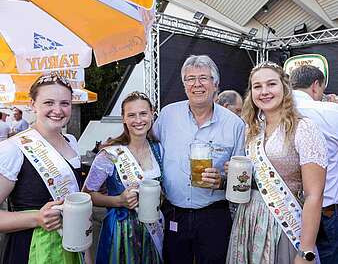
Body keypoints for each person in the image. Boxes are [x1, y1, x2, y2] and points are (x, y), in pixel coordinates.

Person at [226, 61, 327, 264]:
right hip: (248, 221)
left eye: (271, 84)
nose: (264, 91)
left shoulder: (304, 128)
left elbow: (314, 196)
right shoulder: (252, 129)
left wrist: (306, 252)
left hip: (285, 226)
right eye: (257, 86)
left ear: (284, 87)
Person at [153, 55, 245, 264]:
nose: (197, 84)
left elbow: (242, 178)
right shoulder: (168, 116)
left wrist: (222, 180)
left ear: (215, 84)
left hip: (214, 215)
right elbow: (146, 146)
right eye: (190, 79)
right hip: (174, 213)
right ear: (184, 85)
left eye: (203, 78)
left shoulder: (234, 124)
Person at [0, 73, 83, 264]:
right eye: (48, 103)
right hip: (32, 249)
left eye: (65, 103)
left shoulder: (71, 142)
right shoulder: (13, 149)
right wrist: (37, 218)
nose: (58, 110)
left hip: (71, 243)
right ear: (32, 105)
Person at [83, 91, 163, 264]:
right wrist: (119, 200)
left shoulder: (159, 149)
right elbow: (87, 194)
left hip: (154, 227)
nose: (138, 120)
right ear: (124, 119)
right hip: (122, 230)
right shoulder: (110, 154)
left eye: (143, 113)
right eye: (131, 115)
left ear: (152, 114)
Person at [290, 65, 338, 264]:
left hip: (283, 209)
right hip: (325, 210)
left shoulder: (269, 111)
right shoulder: (331, 111)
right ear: (316, 86)